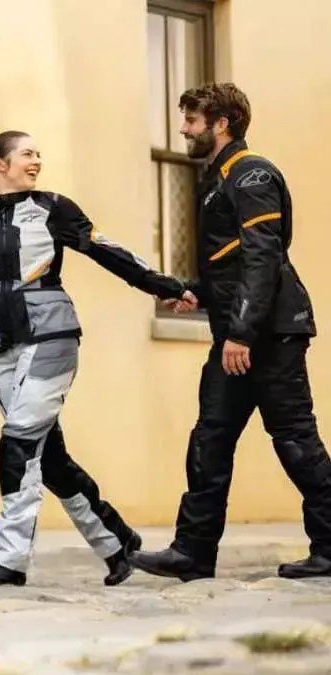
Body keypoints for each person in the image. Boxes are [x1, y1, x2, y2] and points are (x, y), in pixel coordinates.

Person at [0, 131, 193, 588]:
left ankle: (10, 559)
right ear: (0, 164)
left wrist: (165, 286)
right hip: (1, 347)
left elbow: (106, 251)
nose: (36, 161)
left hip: (53, 337)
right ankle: (118, 544)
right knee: (50, 460)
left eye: (38, 154)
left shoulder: (54, 208)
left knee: (18, 442)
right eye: (27, 154)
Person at [131, 83, 331, 581]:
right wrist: (197, 292)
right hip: (236, 334)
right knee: (210, 437)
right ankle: (192, 553)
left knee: (294, 438)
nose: (183, 129)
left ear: (221, 123)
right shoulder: (216, 180)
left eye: (192, 120)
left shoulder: (251, 175)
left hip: (271, 334)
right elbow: (231, 265)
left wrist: (240, 333)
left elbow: (263, 258)